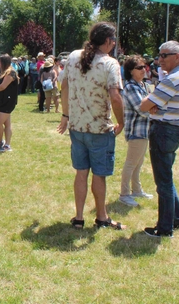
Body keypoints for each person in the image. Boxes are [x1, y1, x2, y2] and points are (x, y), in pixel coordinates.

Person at [57, 22, 126, 230]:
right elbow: (115, 96)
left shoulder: (73, 56)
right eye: (113, 41)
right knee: (99, 175)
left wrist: (65, 114)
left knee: (81, 173)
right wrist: (121, 121)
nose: (114, 44)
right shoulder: (110, 63)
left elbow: (64, 84)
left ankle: (78, 217)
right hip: (99, 129)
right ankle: (102, 217)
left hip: (77, 127)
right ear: (107, 41)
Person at [139, 40, 179, 238]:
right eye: (159, 55)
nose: (159, 59)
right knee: (166, 178)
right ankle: (176, 220)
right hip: (173, 129)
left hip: (164, 130)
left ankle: (164, 229)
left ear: (177, 57)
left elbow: (144, 105)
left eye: (164, 56)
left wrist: (152, 103)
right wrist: (153, 102)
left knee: (163, 182)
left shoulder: (173, 79)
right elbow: (151, 103)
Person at [118, 55, 152, 207]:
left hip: (144, 130)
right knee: (131, 163)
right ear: (131, 71)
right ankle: (124, 194)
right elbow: (142, 109)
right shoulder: (131, 87)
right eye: (139, 68)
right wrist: (155, 109)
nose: (144, 70)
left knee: (139, 163)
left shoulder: (143, 85)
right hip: (136, 130)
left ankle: (136, 190)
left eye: (144, 67)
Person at [0, 54, 18, 153]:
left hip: (8, 101)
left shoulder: (11, 73)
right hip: (2, 100)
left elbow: (3, 86)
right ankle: (7, 145)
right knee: (7, 124)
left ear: (4, 62)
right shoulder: (1, 71)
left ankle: (1, 142)